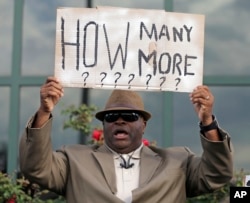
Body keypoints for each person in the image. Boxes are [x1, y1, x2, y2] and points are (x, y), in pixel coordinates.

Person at [19, 76, 233, 203]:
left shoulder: (178, 161)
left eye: (129, 116)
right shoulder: (73, 160)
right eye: (112, 117)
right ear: (104, 125)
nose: (120, 121)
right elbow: (36, 167)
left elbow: (218, 174)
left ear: (144, 124)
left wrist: (207, 122)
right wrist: (44, 111)